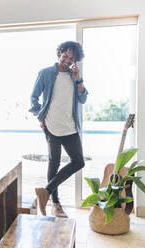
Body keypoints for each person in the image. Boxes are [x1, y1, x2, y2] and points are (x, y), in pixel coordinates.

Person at [29, 41, 88, 217]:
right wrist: (41, 117)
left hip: (71, 127)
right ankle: (55, 204)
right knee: (53, 164)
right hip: (51, 126)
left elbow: (83, 99)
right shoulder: (46, 73)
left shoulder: (74, 76)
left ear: (75, 61)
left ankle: (45, 191)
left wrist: (79, 80)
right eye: (65, 55)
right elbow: (33, 98)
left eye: (71, 58)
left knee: (79, 161)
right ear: (59, 53)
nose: (67, 60)